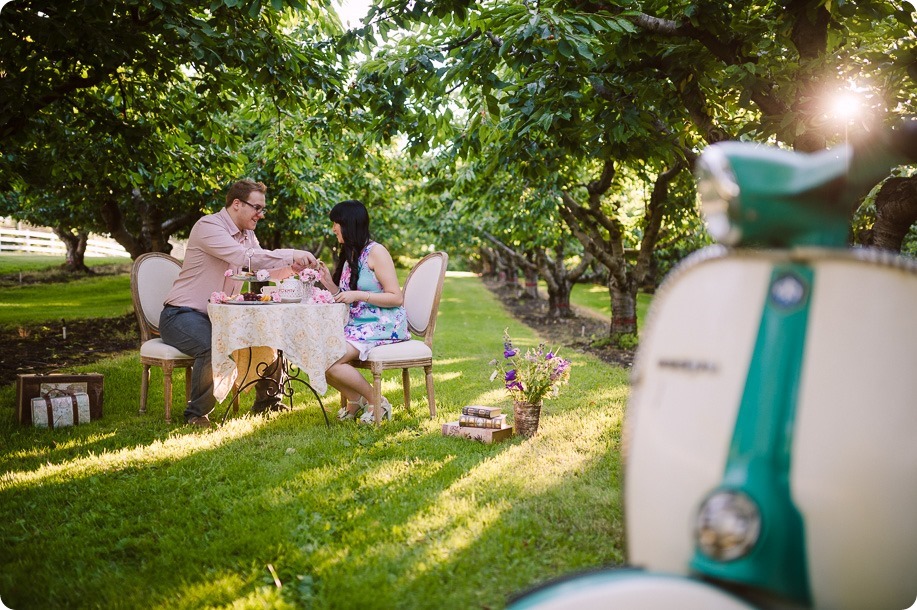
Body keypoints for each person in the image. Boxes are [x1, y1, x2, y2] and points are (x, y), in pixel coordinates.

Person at [159, 179, 318, 428]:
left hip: (223, 316)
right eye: (257, 208)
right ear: (236, 204)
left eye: (262, 209)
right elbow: (242, 257)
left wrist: (290, 267)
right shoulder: (208, 226)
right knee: (213, 344)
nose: (261, 215)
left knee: (271, 334)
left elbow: (260, 269)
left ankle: (268, 402)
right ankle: (197, 415)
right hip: (181, 315)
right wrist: (290, 253)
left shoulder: (248, 235)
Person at [317, 199, 410, 423]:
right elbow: (347, 294)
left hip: (383, 323)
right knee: (317, 353)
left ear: (348, 224)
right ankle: (354, 399)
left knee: (330, 358)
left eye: (336, 223)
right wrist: (328, 283)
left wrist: (359, 295)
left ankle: (376, 401)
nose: (333, 228)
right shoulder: (353, 255)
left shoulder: (377, 252)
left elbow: (396, 297)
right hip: (359, 323)